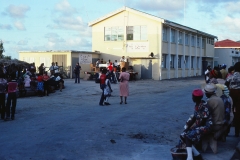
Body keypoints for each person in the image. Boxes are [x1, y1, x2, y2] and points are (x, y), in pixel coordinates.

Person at [179, 89, 212, 160]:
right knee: (183, 135)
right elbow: (194, 117)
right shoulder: (197, 105)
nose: (192, 98)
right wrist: (187, 128)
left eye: (193, 96)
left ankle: (190, 158)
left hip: (206, 127)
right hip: (199, 126)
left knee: (188, 136)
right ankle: (197, 154)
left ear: (196, 97)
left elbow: (203, 121)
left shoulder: (204, 106)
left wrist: (193, 128)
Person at [225, 61, 240, 137]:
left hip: (232, 94)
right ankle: (237, 132)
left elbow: (226, 84)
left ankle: (226, 132)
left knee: (229, 111)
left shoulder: (231, 76)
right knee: (238, 113)